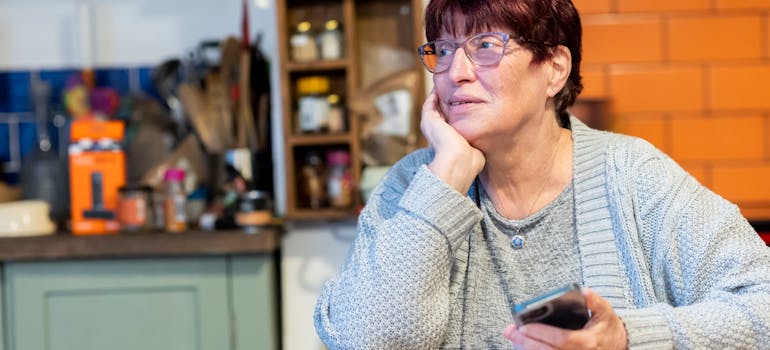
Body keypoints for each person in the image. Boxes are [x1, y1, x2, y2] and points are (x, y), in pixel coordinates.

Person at [314, 0, 770, 348]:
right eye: (444, 49)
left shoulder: (632, 176)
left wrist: (628, 336)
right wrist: (443, 181)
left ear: (554, 69)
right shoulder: (414, 184)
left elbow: (762, 304)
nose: (455, 72)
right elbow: (365, 339)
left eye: (486, 46)